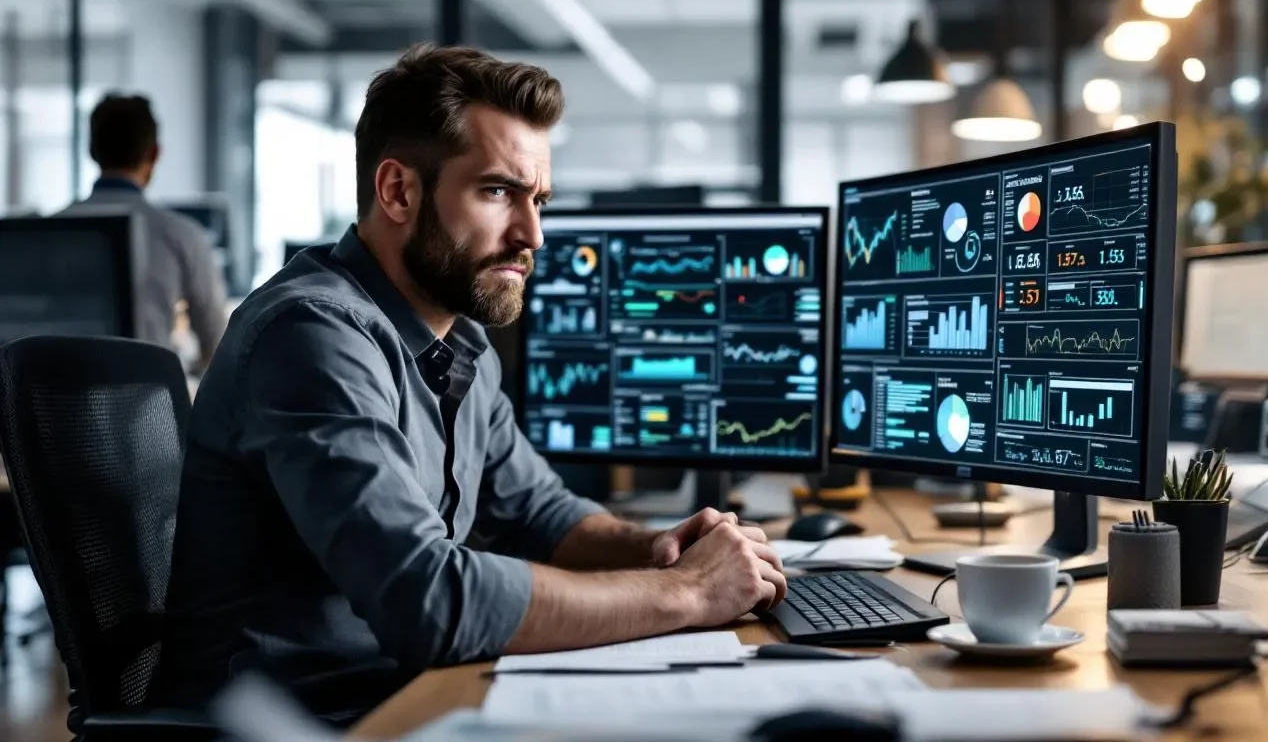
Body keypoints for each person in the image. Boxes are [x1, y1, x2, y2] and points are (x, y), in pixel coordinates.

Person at [150, 44, 789, 726]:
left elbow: (540, 513)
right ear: (398, 191)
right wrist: (689, 593)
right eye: (498, 192)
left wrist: (659, 549)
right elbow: (425, 598)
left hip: (397, 693)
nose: (532, 234)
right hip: (290, 722)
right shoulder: (311, 333)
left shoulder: (460, 341)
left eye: (538, 199)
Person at [58, 93, 228, 368]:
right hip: (147, 406)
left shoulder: (48, 232)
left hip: (53, 405)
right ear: (154, 153)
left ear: (91, 150)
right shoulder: (182, 236)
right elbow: (219, 345)